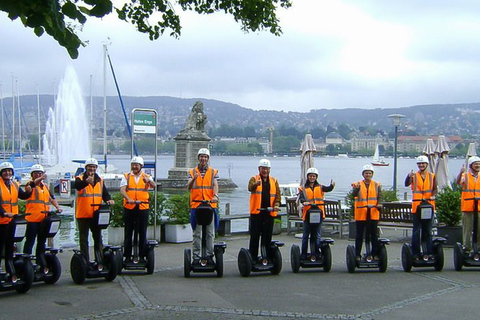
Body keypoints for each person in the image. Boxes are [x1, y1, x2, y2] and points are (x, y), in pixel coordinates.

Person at [74, 158, 114, 266]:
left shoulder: (100, 180)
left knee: (98, 238)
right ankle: (85, 261)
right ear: (86, 168)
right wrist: (86, 182)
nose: (91, 169)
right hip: (83, 214)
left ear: (96, 168)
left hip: (96, 214)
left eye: (93, 167)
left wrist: (108, 200)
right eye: (89, 167)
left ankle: (99, 260)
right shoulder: (80, 178)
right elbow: (77, 186)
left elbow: (105, 194)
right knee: (83, 238)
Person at [24, 164, 63, 267]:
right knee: (30, 241)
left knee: (41, 242)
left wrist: (57, 207)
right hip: (32, 219)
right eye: (36, 173)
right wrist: (40, 178)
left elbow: (51, 198)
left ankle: (40, 262)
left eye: (40, 173)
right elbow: (28, 189)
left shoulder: (45, 186)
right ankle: (26, 263)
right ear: (32, 175)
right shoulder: (29, 184)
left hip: (43, 219)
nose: (38, 175)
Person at [120, 156, 155, 263]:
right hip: (129, 206)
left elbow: (154, 186)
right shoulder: (126, 176)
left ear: (141, 166)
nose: (135, 167)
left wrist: (148, 181)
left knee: (142, 231)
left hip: (143, 207)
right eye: (133, 165)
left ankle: (142, 255)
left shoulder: (147, 176)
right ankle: (127, 255)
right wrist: (128, 198)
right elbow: (122, 189)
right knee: (128, 231)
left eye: (137, 165)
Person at [187, 148, 219, 264]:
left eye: (205, 157)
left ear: (208, 159)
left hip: (210, 205)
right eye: (201, 156)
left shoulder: (213, 172)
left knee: (210, 233)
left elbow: (215, 185)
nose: (203, 159)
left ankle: (210, 256)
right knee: (197, 233)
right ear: (198, 158)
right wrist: (194, 179)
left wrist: (215, 195)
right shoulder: (192, 172)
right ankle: (196, 257)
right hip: (196, 205)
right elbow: (188, 187)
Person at [0, 162, 32, 272]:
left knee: (10, 246)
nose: (7, 173)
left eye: (9, 171)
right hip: (1, 221)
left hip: (12, 221)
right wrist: (4, 213)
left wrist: (29, 192)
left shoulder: (14, 184)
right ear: (1, 173)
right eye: (5, 171)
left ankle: (10, 270)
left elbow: (23, 196)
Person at [247, 158, 281, 261]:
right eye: (263, 169)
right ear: (259, 169)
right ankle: (252, 257)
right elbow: (250, 188)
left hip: (269, 212)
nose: (265, 171)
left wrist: (277, 204)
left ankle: (267, 256)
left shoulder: (274, 181)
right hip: (257, 212)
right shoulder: (254, 178)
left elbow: (278, 195)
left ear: (269, 169)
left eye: (267, 169)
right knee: (255, 236)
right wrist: (256, 185)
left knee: (267, 236)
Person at [298, 167, 335, 259]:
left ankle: (317, 253)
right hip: (307, 214)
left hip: (319, 213)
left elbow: (328, 189)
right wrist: (304, 202)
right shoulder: (302, 188)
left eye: (314, 176)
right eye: (310, 176)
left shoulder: (320, 187)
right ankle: (303, 253)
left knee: (317, 234)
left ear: (316, 177)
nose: (312, 178)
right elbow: (301, 198)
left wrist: (332, 186)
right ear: (308, 177)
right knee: (306, 235)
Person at [405, 155, 437, 259]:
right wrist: (408, 176)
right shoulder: (414, 176)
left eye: (423, 163)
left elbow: (435, 188)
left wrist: (433, 195)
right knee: (416, 230)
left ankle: (429, 252)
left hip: (428, 206)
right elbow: (406, 184)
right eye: (419, 164)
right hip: (417, 206)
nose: (421, 165)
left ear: (427, 164)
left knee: (428, 230)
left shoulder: (432, 176)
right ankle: (416, 253)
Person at [351, 164, 381, 260]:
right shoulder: (357, 184)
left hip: (373, 213)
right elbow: (354, 195)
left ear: (372, 174)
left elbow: (380, 197)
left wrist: (380, 204)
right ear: (363, 174)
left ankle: (375, 254)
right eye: (366, 173)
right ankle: (357, 254)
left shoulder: (377, 185)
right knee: (359, 234)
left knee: (374, 235)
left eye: (369, 173)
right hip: (361, 213)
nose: (368, 175)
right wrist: (357, 189)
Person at [456, 156, 480, 253]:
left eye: (478, 164)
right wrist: (461, 172)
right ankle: (467, 248)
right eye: (476, 164)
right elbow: (458, 182)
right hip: (468, 206)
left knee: (479, 229)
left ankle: (478, 248)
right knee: (468, 229)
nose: (478, 165)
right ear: (471, 165)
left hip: (479, 207)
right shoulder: (465, 176)